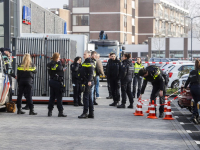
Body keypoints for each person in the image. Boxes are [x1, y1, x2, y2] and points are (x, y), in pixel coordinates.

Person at [47, 52, 67, 117]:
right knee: (59, 98)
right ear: (56, 58)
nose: (60, 58)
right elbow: (58, 68)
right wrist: (59, 63)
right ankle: (60, 112)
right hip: (57, 82)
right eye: (59, 57)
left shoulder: (49, 64)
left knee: (52, 97)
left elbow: (53, 70)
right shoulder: (56, 64)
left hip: (52, 81)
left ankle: (50, 111)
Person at [78, 50, 94, 119]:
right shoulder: (85, 61)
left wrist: (89, 80)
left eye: (85, 54)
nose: (83, 55)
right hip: (86, 81)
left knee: (86, 98)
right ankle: (91, 113)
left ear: (89, 55)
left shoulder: (89, 62)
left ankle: (85, 113)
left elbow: (91, 72)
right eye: (83, 54)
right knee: (89, 98)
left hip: (88, 82)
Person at [184, 60, 200, 124]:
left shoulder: (192, 72)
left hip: (192, 88)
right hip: (198, 88)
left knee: (196, 103)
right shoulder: (199, 72)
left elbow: (188, 80)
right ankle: (195, 116)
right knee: (198, 103)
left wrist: (185, 87)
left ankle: (195, 115)